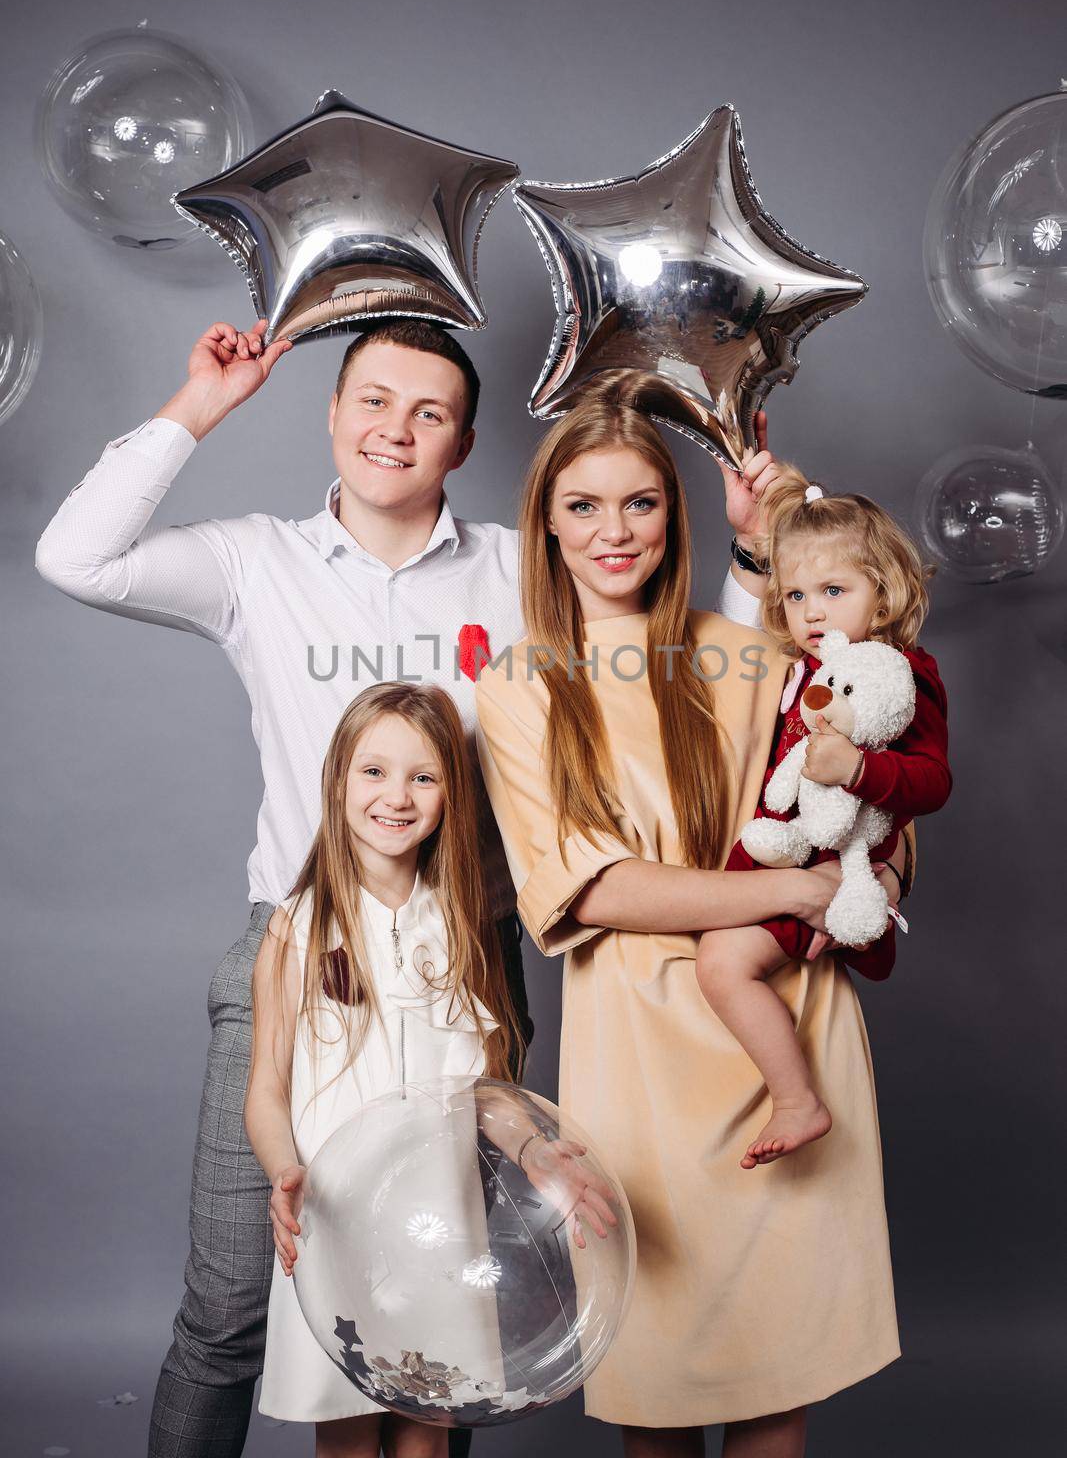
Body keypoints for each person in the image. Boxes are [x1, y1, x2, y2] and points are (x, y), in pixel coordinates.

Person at [33, 319, 537, 1458]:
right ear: (331, 410)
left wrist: (756, 558)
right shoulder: (256, 559)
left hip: (462, 960)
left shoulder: (518, 571)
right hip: (296, 960)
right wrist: (201, 402)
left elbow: (667, 653)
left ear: (462, 441)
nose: (392, 429)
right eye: (371, 399)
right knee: (227, 1311)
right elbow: (76, 557)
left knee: (432, 1310)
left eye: (427, 412)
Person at [474, 374, 909, 1458]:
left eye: (639, 502)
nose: (611, 530)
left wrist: (881, 877)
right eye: (582, 505)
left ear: (674, 516)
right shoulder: (519, 680)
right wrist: (786, 891)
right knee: (656, 1388)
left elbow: (862, 783)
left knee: (777, 1383)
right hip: (638, 1065)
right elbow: (597, 887)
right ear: (545, 524)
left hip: (779, 1038)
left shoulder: (740, 649)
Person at [246, 680, 607, 1454]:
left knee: (427, 1428)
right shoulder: (297, 929)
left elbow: (483, 1092)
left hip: (438, 1223)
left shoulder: (461, 924)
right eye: (373, 772)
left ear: (451, 795)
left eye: (424, 776)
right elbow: (266, 1091)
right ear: (337, 780)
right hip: (336, 1219)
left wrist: (538, 1151)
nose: (396, 797)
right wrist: (284, 1171)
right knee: (344, 1429)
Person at [696, 468, 951, 1171]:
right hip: (781, 847)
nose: (811, 612)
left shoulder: (900, 670)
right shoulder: (789, 668)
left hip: (835, 861)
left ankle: (796, 1099)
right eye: (796, 596)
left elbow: (932, 781)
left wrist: (861, 773)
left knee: (721, 964)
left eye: (833, 592)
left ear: (884, 590)